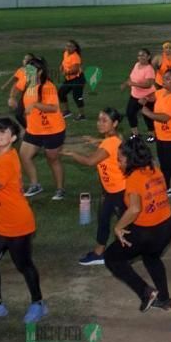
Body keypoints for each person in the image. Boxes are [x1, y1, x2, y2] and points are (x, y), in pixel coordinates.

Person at [0, 117, 47, 323]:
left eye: (2, 133)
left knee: (23, 265)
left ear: (12, 138)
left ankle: (38, 303)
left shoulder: (9, 160)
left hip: (17, 223)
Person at [104, 137, 171, 312]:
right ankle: (165, 300)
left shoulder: (134, 178)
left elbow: (135, 208)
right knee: (151, 257)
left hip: (148, 232)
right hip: (167, 228)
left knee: (112, 258)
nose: (118, 163)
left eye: (120, 159)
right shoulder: (155, 170)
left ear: (130, 160)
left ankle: (145, 292)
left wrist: (118, 227)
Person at [63, 109, 127, 266]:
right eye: (99, 119)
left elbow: (90, 161)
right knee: (104, 218)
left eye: (104, 120)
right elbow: (115, 143)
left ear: (115, 123)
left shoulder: (109, 143)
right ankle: (99, 253)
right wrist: (97, 141)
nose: (99, 123)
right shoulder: (115, 138)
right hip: (112, 189)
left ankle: (132, 251)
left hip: (119, 190)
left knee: (126, 223)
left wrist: (73, 154)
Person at [19, 58, 67, 201]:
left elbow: (53, 108)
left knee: (52, 159)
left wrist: (35, 105)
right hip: (34, 129)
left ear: (39, 72)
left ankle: (60, 189)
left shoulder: (48, 87)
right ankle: (35, 184)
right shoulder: (29, 85)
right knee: (24, 155)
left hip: (52, 130)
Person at [141, 68, 171, 201]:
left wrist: (147, 113)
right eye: (164, 78)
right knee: (164, 163)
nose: (164, 81)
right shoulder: (163, 91)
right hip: (163, 136)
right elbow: (154, 95)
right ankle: (166, 188)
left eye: (168, 79)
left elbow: (164, 117)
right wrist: (146, 98)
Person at [120, 48, 156, 143]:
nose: (141, 57)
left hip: (147, 96)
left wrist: (134, 84)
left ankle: (152, 135)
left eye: (143, 55)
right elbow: (132, 77)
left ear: (148, 57)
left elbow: (149, 84)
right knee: (130, 113)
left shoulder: (149, 69)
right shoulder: (137, 65)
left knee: (147, 116)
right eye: (139, 55)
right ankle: (135, 134)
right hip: (135, 95)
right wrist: (125, 83)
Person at [4, 53, 36, 130]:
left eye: (29, 59)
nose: (26, 61)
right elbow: (14, 80)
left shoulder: (33, 70)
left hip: (32, 96)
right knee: (19, 115)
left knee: (28, 114)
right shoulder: (21, 70)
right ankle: (29, 130)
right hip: (23, 95)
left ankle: (33, 130)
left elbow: (31, 83)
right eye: (25, 59)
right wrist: (11, 94)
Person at [58, 40, 85, 120]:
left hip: (78, 79)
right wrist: (61, 66)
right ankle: (67, 111)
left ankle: (82, 115)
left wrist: (65, 73)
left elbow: (75, 70)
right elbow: (64, 62)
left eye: (70, 46)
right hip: (69, 79)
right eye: (67, 46)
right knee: (61, 93)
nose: (68, 48)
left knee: (77, 97)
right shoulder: (66, 53)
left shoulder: (76, 57)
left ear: (75, 48)